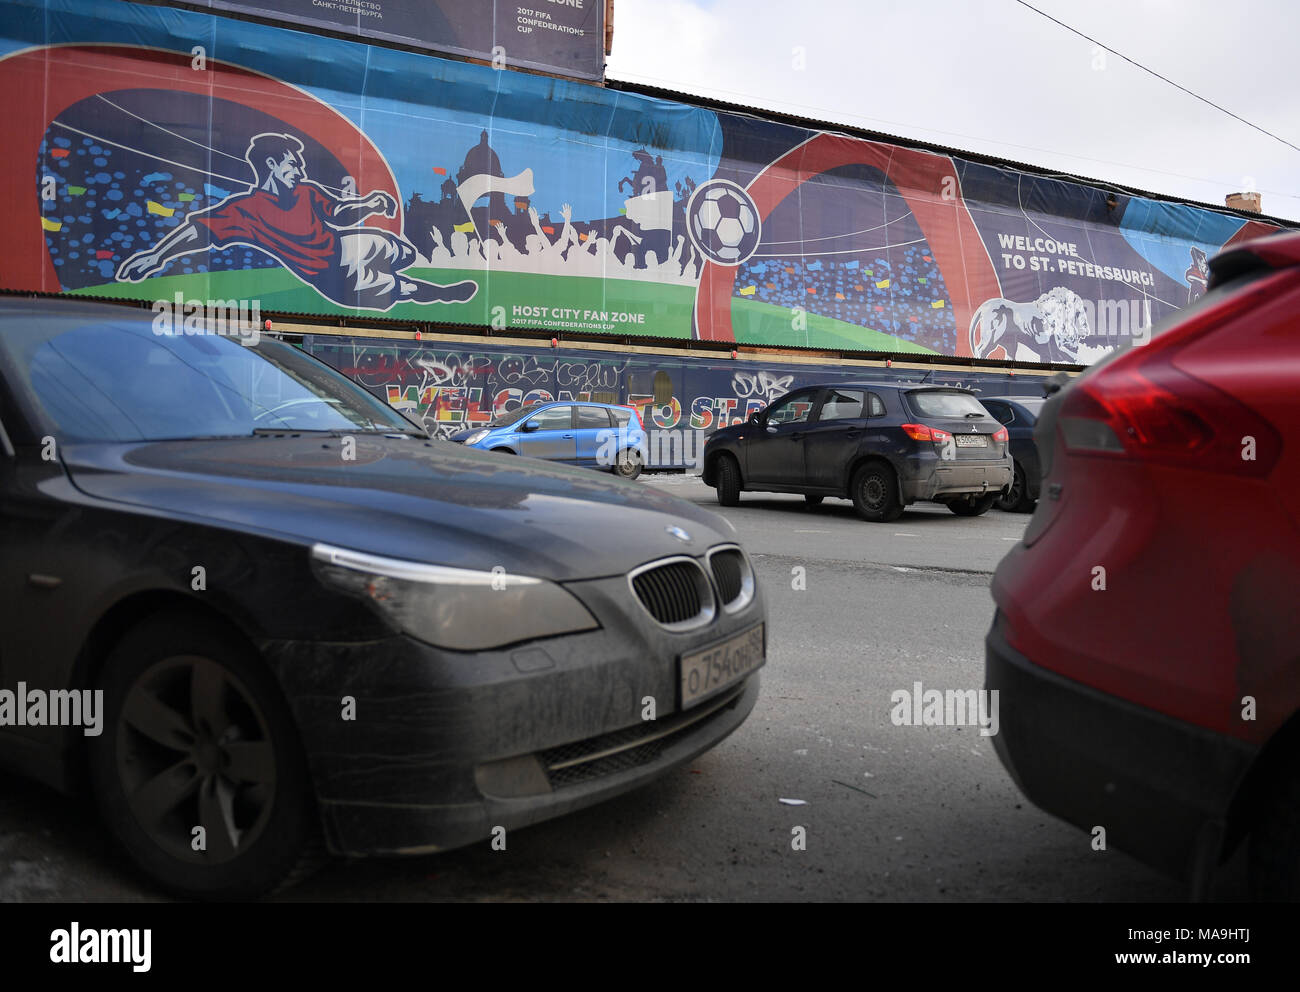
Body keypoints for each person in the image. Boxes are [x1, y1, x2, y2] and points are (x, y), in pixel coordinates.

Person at [117, 132, 477, 311]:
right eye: (293, 164)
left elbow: (337, 212)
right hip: (334, 276)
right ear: (272, 165)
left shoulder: (306, 190)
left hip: (348, 242)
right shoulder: (246, 209)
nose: (300, 170)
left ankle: (427, 280)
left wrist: (368, 203)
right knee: (400, 288)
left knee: (403, 253)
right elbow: (199, 229)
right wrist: (158, 256)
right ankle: (445, 295)